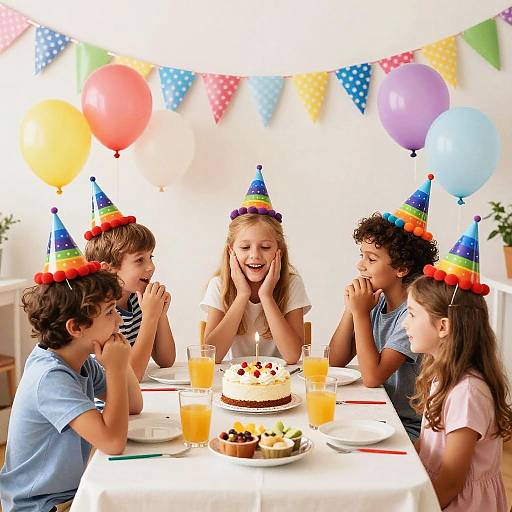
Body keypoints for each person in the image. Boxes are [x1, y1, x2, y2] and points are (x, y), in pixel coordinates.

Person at [0, 208, 143, 512]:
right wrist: (117, 369)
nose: (118, 319)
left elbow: (133, 405)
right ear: (76, 327)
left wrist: (120, 361)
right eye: (108, 313)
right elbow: (112, 443)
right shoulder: (50, 377)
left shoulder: (83, 360)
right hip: (42, 506)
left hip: (73, 494)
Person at [404, 216, 511, 511]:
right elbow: (428, 447)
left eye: (412, 314)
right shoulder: (442, 374)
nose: (405, 325)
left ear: (443, 327)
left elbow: (451, 481)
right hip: (438, 491)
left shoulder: (468, 392)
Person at [330, 175, 438, 441]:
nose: (360, 265)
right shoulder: (376, 303)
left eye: (372, 258)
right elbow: (335, 360)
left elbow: (372, 376)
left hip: (405, 427)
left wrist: (359, 313)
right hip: (377, 413)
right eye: (361, 256)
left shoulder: (412, 315)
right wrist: (351, 309)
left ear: (401, 269)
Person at [201, 165, 311, 363]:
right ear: (230, 251)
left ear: (280, 251)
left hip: (279, 382)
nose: (255, 255)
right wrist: (242, 295)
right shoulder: (219, 285)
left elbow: (293, 355)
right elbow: (211, 356)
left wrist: (266, 296)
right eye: (245, 247)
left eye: (265, 247)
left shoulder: (292, 284)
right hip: (238, 380)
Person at [84, 177, 175, 381]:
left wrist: (159, 314)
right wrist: (150, 317)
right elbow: (132, 375)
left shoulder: (136, 298)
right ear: (108, 269)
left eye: (150, 257)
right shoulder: (100, 313)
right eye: (139, 260)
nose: (150, 267)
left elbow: (166, 360)